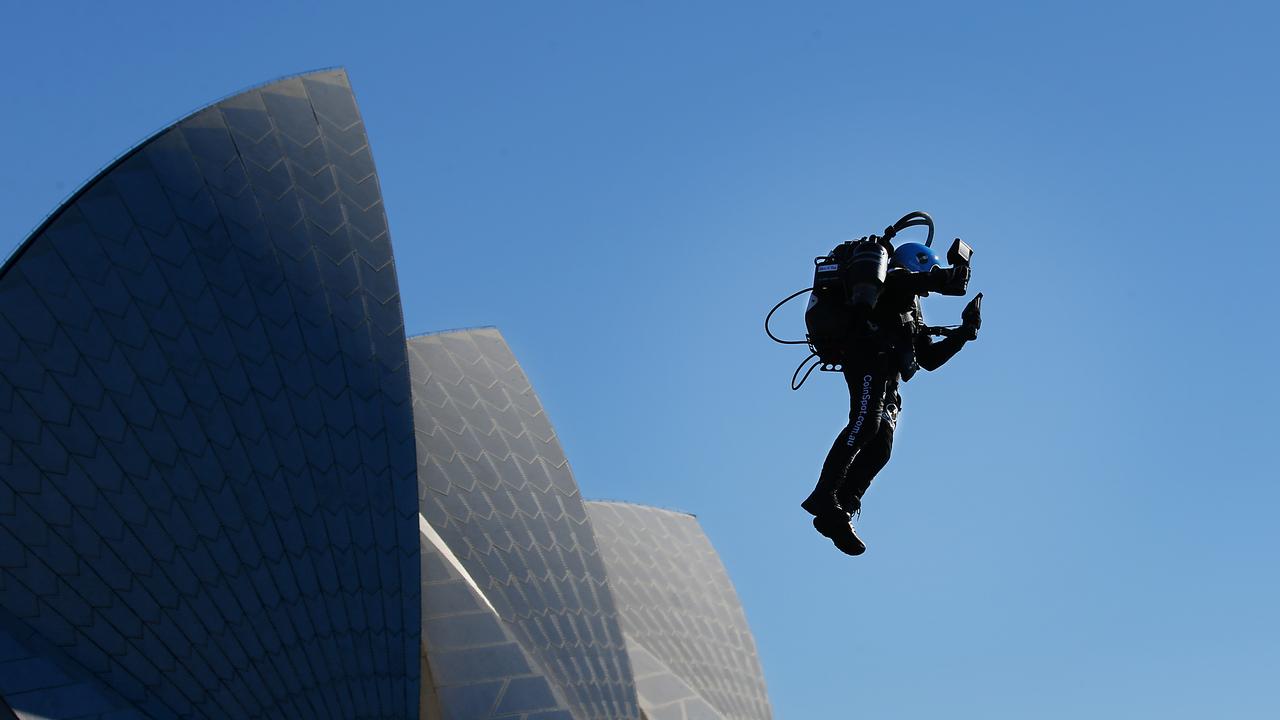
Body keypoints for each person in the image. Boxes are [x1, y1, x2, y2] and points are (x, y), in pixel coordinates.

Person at [800, 240, 982, 555]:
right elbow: (926, 281)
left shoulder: (911, 307)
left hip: (887, 373)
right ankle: (823, 496)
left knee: (881, 447)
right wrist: (950, 274)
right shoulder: (895, 279)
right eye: (928, 270)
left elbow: (928, 359)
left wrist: (963, 333)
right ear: (918, 263)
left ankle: (839, 510)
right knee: (865, 423)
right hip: (867, 357)